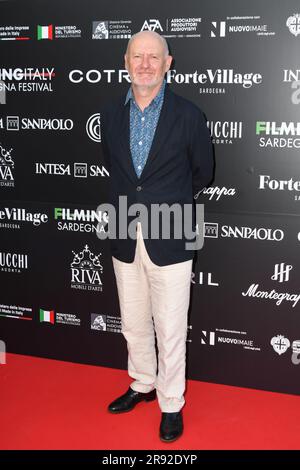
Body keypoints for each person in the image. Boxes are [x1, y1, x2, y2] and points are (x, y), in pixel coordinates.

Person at [100, 30, 213, 442]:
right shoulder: (111, 114)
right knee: (132, 322)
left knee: (169, 326)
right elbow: (116, 169)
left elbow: (203, 172)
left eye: (154, 57)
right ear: (126, 61)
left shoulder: (189, 115)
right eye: (137, 56)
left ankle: (170, 403)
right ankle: (143, 382)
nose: (145, 64)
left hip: (172, 231)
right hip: (123, 228)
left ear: (168, 63)